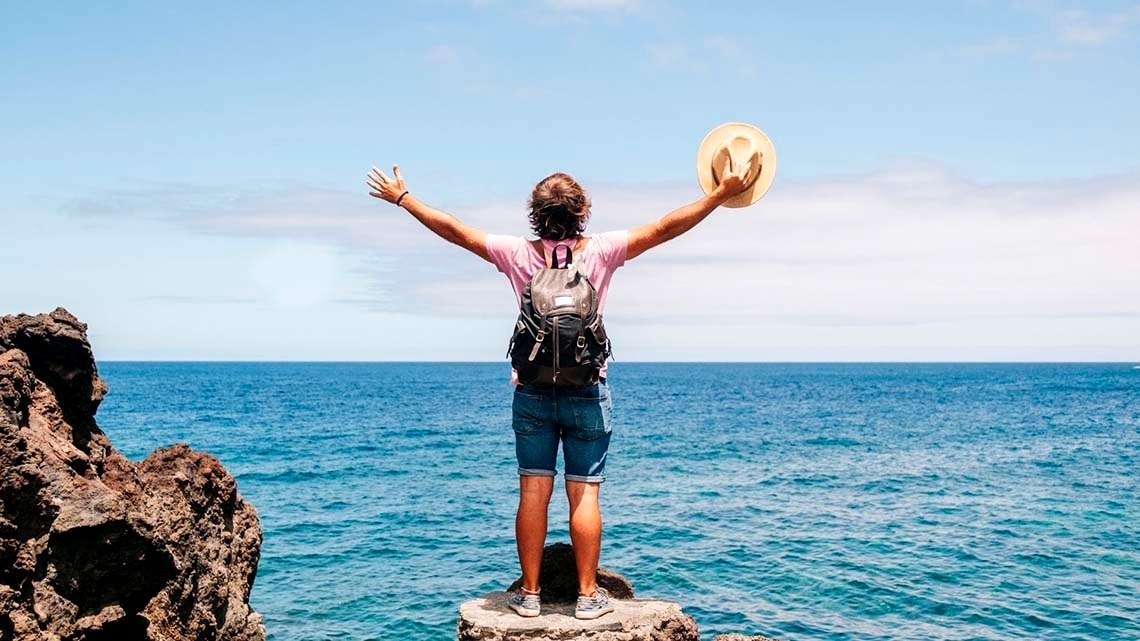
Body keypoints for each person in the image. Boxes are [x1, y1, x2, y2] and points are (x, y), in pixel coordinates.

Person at [366, 159, 752, 619]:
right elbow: (666, 227)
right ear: (583, 210)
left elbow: (455, 231)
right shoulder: (603, 250)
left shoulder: (515, 253)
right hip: (588, 390)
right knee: (584, 493)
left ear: (535, 213)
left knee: (533, 492)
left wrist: (404, 199)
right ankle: (588, 597)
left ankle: (529, 595)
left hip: (532, 392)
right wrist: (719, 195)